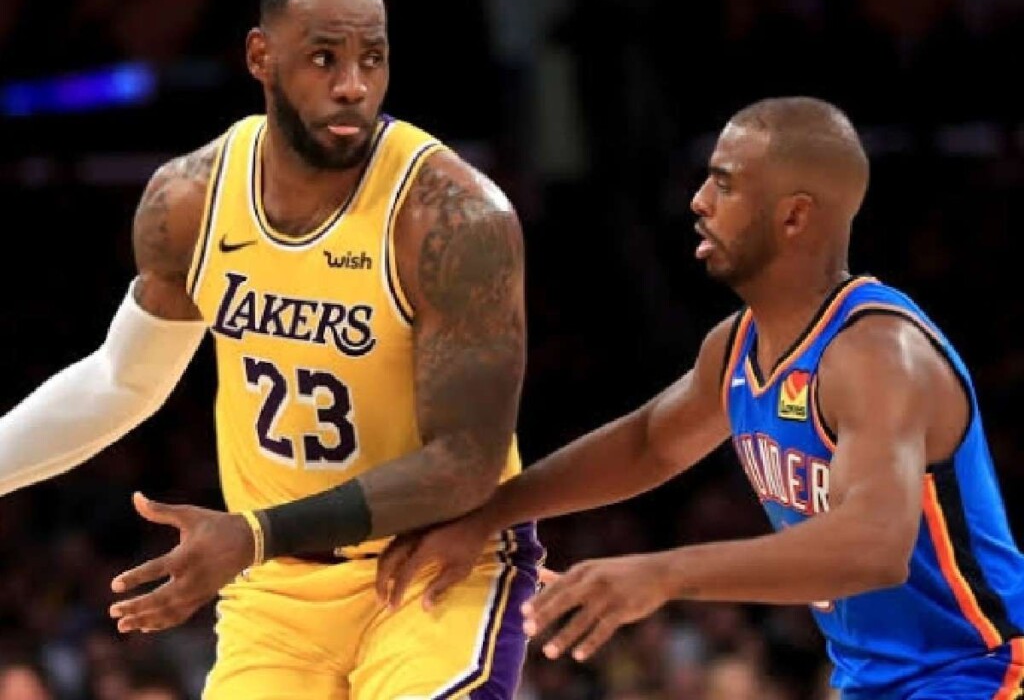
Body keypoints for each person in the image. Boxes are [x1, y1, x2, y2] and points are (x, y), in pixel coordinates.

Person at [0, 0, 542, 700]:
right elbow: (121, 380)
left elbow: (466, 463)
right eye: (324, 58)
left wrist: (254, 532)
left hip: (435, 567)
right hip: (280, 590)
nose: (353, 86)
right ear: (261, 55)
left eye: (372, 59)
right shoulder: (188, 201)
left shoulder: (453, 217)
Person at [375, 96, 1024, 699]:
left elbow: (872, 547)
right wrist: (489, 514)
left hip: (985, 672)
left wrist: (663, 575)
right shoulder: (737, 346)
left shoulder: (877, 353)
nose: (698, 200)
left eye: (725, 182)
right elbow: (650, 443)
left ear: (794, 216)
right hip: (877, 680)